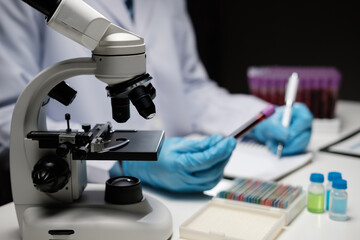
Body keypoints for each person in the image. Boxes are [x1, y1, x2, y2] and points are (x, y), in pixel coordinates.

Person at [0, 0, 313, 203]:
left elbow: (189, 86)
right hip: (80, 192)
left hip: (179, 195)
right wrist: (121, 161)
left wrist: (256, 117)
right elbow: (7, 115)